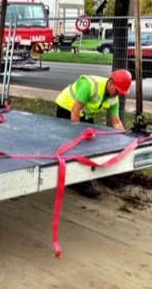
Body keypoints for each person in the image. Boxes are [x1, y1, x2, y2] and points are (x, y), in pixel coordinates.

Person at [55, 69, 132, 197]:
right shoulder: (89, 85)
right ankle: (77, 180)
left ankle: (84, 176)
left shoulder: (114, 98)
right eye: (118, 90)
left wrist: (125, 141)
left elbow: (116, 122)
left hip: (84, 113)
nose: (118, 94)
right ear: (111, 83)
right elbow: (75, 111)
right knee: (74, 144)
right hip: (67, 108)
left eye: (121, 92)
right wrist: (76, 134)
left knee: (89, 143)